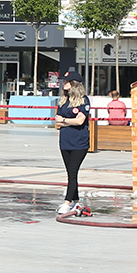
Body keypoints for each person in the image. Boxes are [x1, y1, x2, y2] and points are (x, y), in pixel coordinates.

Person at [54, 72, 92, 216]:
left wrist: (64, 121)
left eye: (67, 81)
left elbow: (80, 121)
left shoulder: (83, 100)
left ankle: (67, 202)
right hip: (65, 141)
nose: (63, 84)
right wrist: (65, 121)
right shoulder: (64, 100)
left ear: (75, 84)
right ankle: (76, 200)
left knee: (72, 172)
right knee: (70, 172)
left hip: (79, 142)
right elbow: (58, 119)